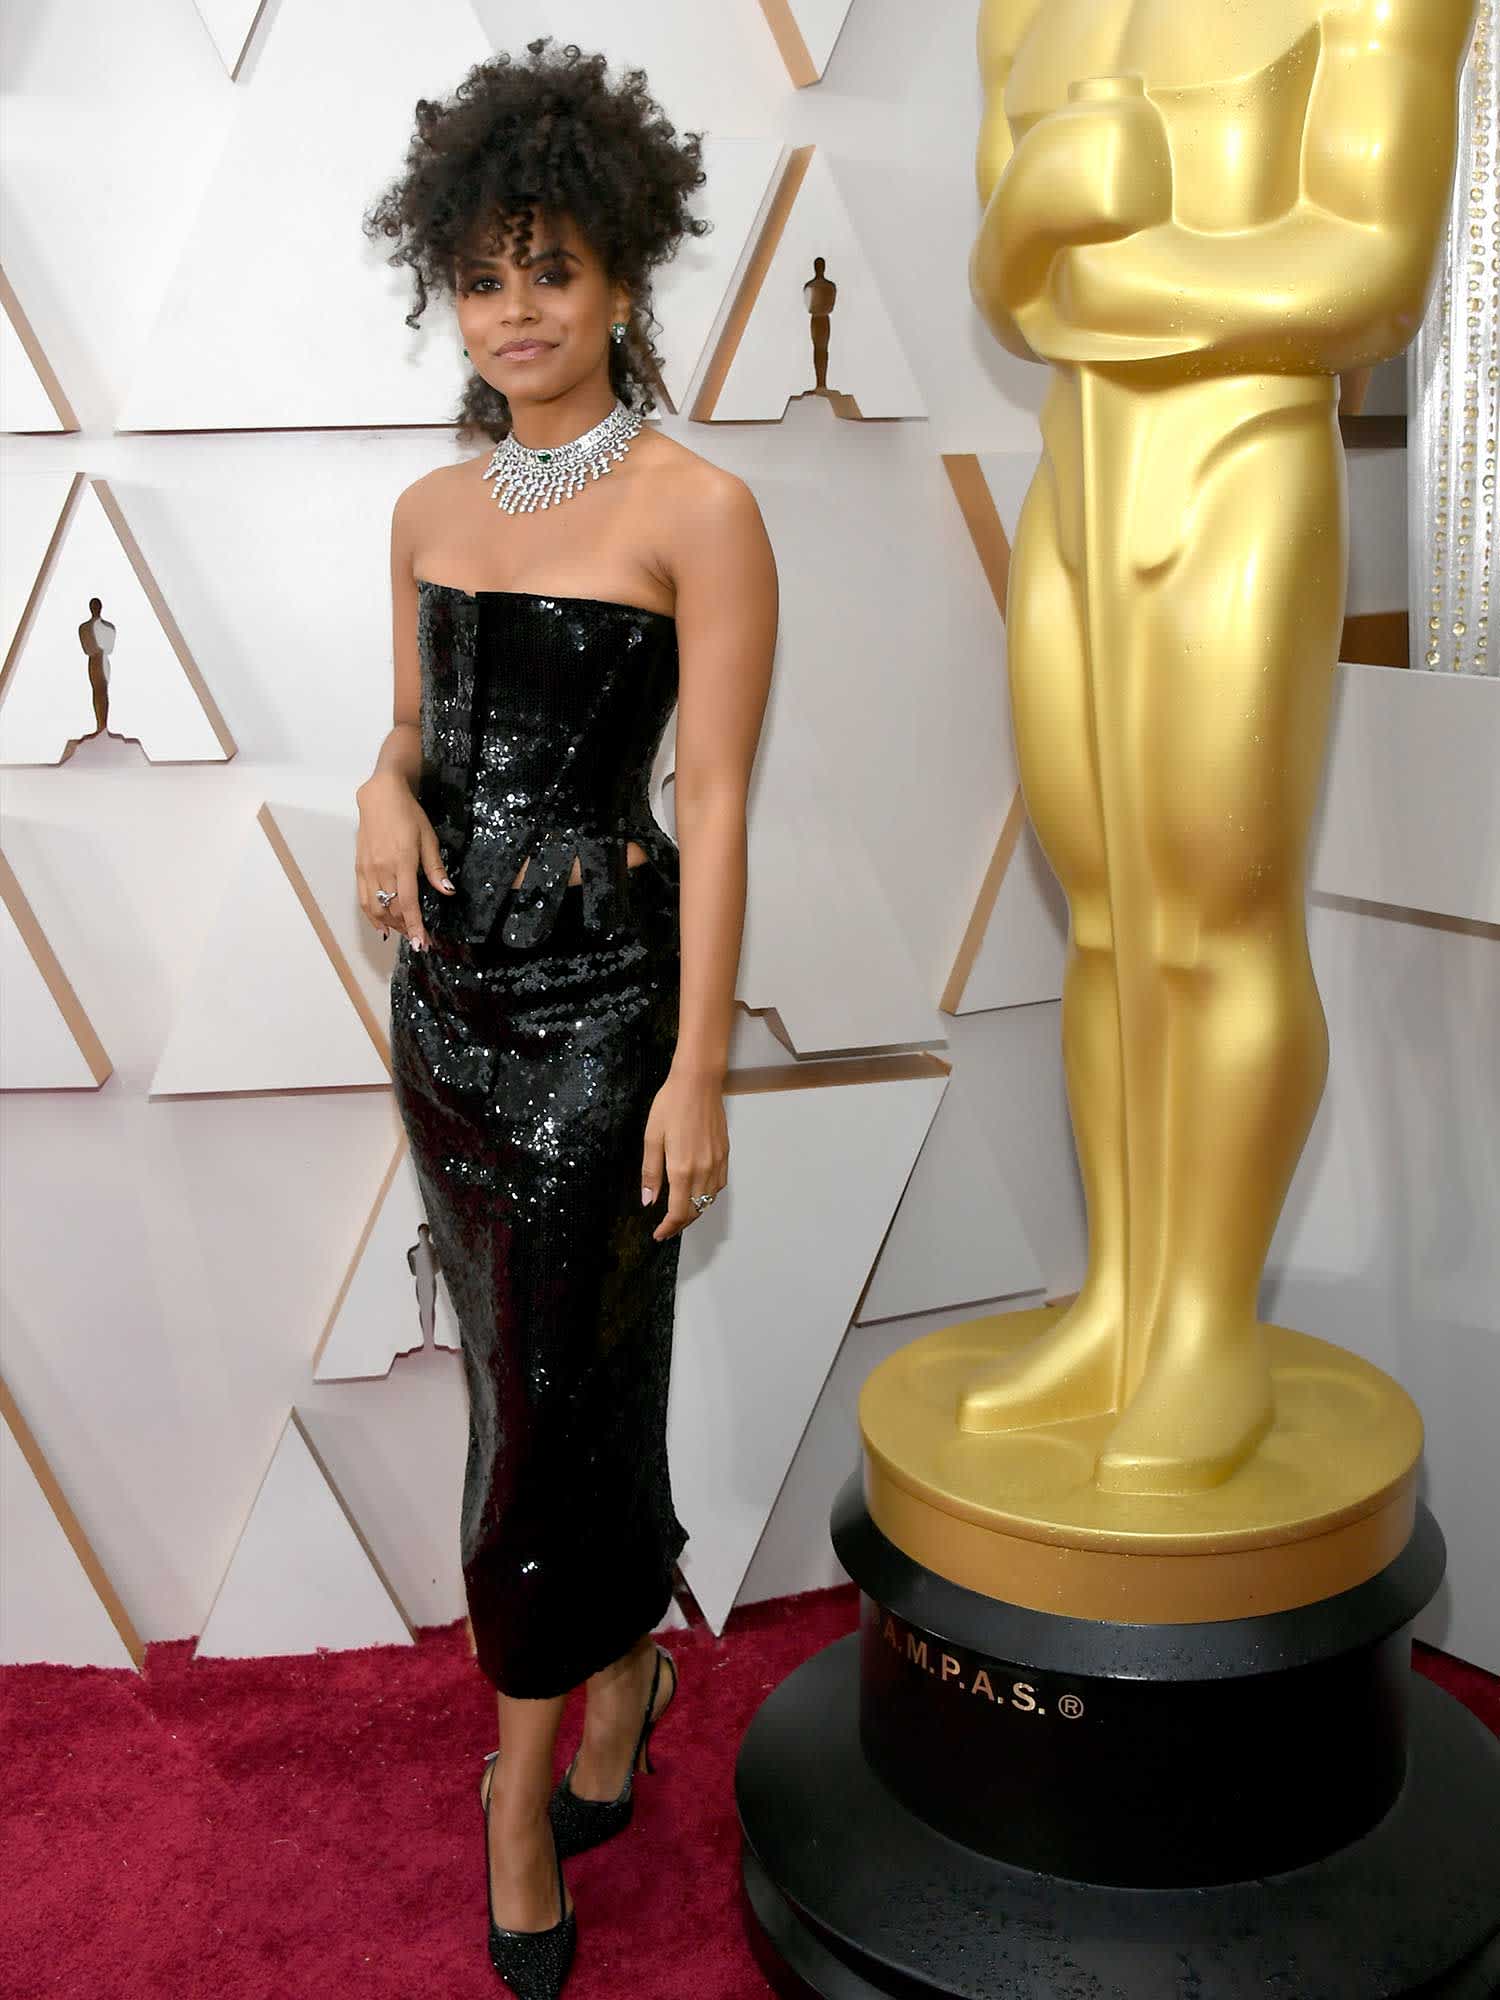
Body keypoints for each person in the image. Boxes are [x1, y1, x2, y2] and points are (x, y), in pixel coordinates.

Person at [356, 39, 777, 1996]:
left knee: (546, 1404)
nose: (516, 310)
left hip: (609, 1019)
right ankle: (620, 1684)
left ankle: (518, 1801)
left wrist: (698, 1071)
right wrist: (382, 786)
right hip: (445, 1017)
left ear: (620, 278)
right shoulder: (427, 508)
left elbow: (722, 803)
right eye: (482, 276)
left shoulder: (702, 508)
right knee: (549, 1388)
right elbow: (413, 727)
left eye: (552, 269)